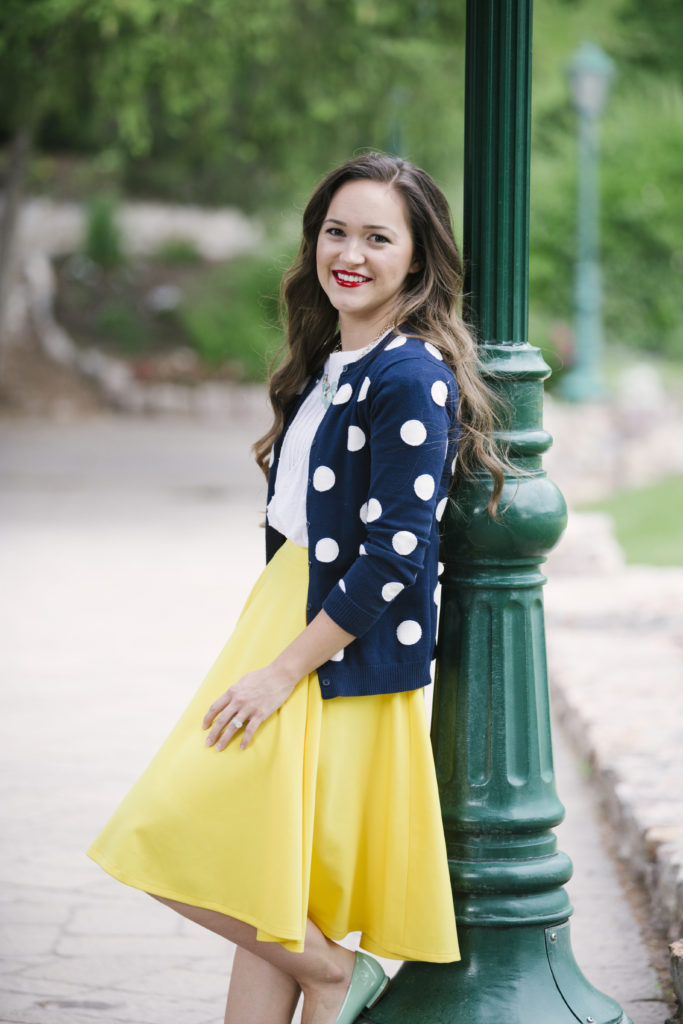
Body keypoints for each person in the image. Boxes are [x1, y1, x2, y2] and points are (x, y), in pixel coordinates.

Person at [87, 152, 506, 1024]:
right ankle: (325, 972)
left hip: (326, 648)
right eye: (335, 232)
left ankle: (336, 976)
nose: (348, 253)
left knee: (167, 831)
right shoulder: (331, 365)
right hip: (281, 620)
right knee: (266, 885)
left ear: (418, 261)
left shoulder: (409, 374)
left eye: (377, 238)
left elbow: (397, 553)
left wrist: (284, 670)